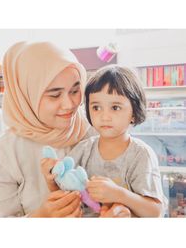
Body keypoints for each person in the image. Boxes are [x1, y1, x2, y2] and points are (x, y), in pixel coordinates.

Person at [0, 41, 131, 217]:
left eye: (75, 91)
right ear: (27, 95)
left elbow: (134, 190)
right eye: (54, 95)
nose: (69, 105)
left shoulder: (98, 129)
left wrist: (123, 210)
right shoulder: (6, 151)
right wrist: (41, 217)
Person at [42, 65, 167, 217]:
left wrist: (118, 194)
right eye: (96, 107)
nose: (104, 116)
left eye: (115, 107)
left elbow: (155, 211)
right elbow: (65, 191)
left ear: (134, 112)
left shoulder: (141, 155)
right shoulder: (84, 149)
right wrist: (52, 179)